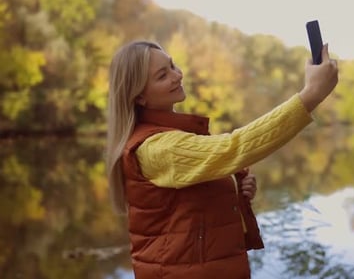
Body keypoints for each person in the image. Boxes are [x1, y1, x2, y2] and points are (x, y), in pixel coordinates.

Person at [105, 40, 338, 279]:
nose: (177, 76)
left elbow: (189, 204)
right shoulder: (157, 148)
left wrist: (235, 188)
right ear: (139, 97)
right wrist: (311, 95)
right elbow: (233, 148)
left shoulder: (172, 136)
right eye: (162, 75)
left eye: (173, 66)